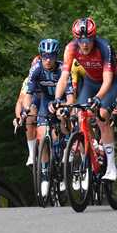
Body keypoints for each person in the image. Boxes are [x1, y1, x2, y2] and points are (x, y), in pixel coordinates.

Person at [52, 17, 117, 181]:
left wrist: (98, 98)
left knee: (102, 115)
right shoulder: (70, 48)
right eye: (81, 40)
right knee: (80, 114)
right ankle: (94, 147)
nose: (84, 44)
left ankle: (111, 167)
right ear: (76, 39)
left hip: (112, 81)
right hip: (91, 81)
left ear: (94, 37)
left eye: (88, 40)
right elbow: (64, 77)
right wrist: (57, 98)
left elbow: (107, 80)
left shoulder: (104, 47)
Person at [23, 38, 72, 195]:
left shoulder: (63, 69)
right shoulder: (36, 69)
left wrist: (64, 107)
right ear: (41, 56)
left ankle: (66, 155)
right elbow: (28, 94)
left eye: (51, 56)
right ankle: (44, 173)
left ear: (56, 56)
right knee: (41, 134)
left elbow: (71, 98)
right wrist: (26, 109)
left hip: (62, 100)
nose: (48, 60)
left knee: (62, 121)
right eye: (45, 56)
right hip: (45, 101)